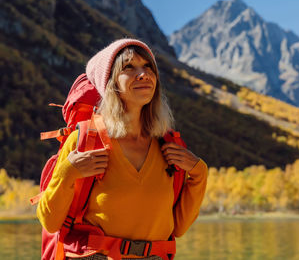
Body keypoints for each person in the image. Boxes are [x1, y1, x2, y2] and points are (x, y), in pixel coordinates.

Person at [37, 38, 208, 259]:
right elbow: (51, 223)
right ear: (110, 84)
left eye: (148, 67)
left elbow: (179, 228)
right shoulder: (86, 141)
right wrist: (66, 172)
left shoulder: (169, 148)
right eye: (129, 67)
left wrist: (199, 173)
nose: (143, 74)